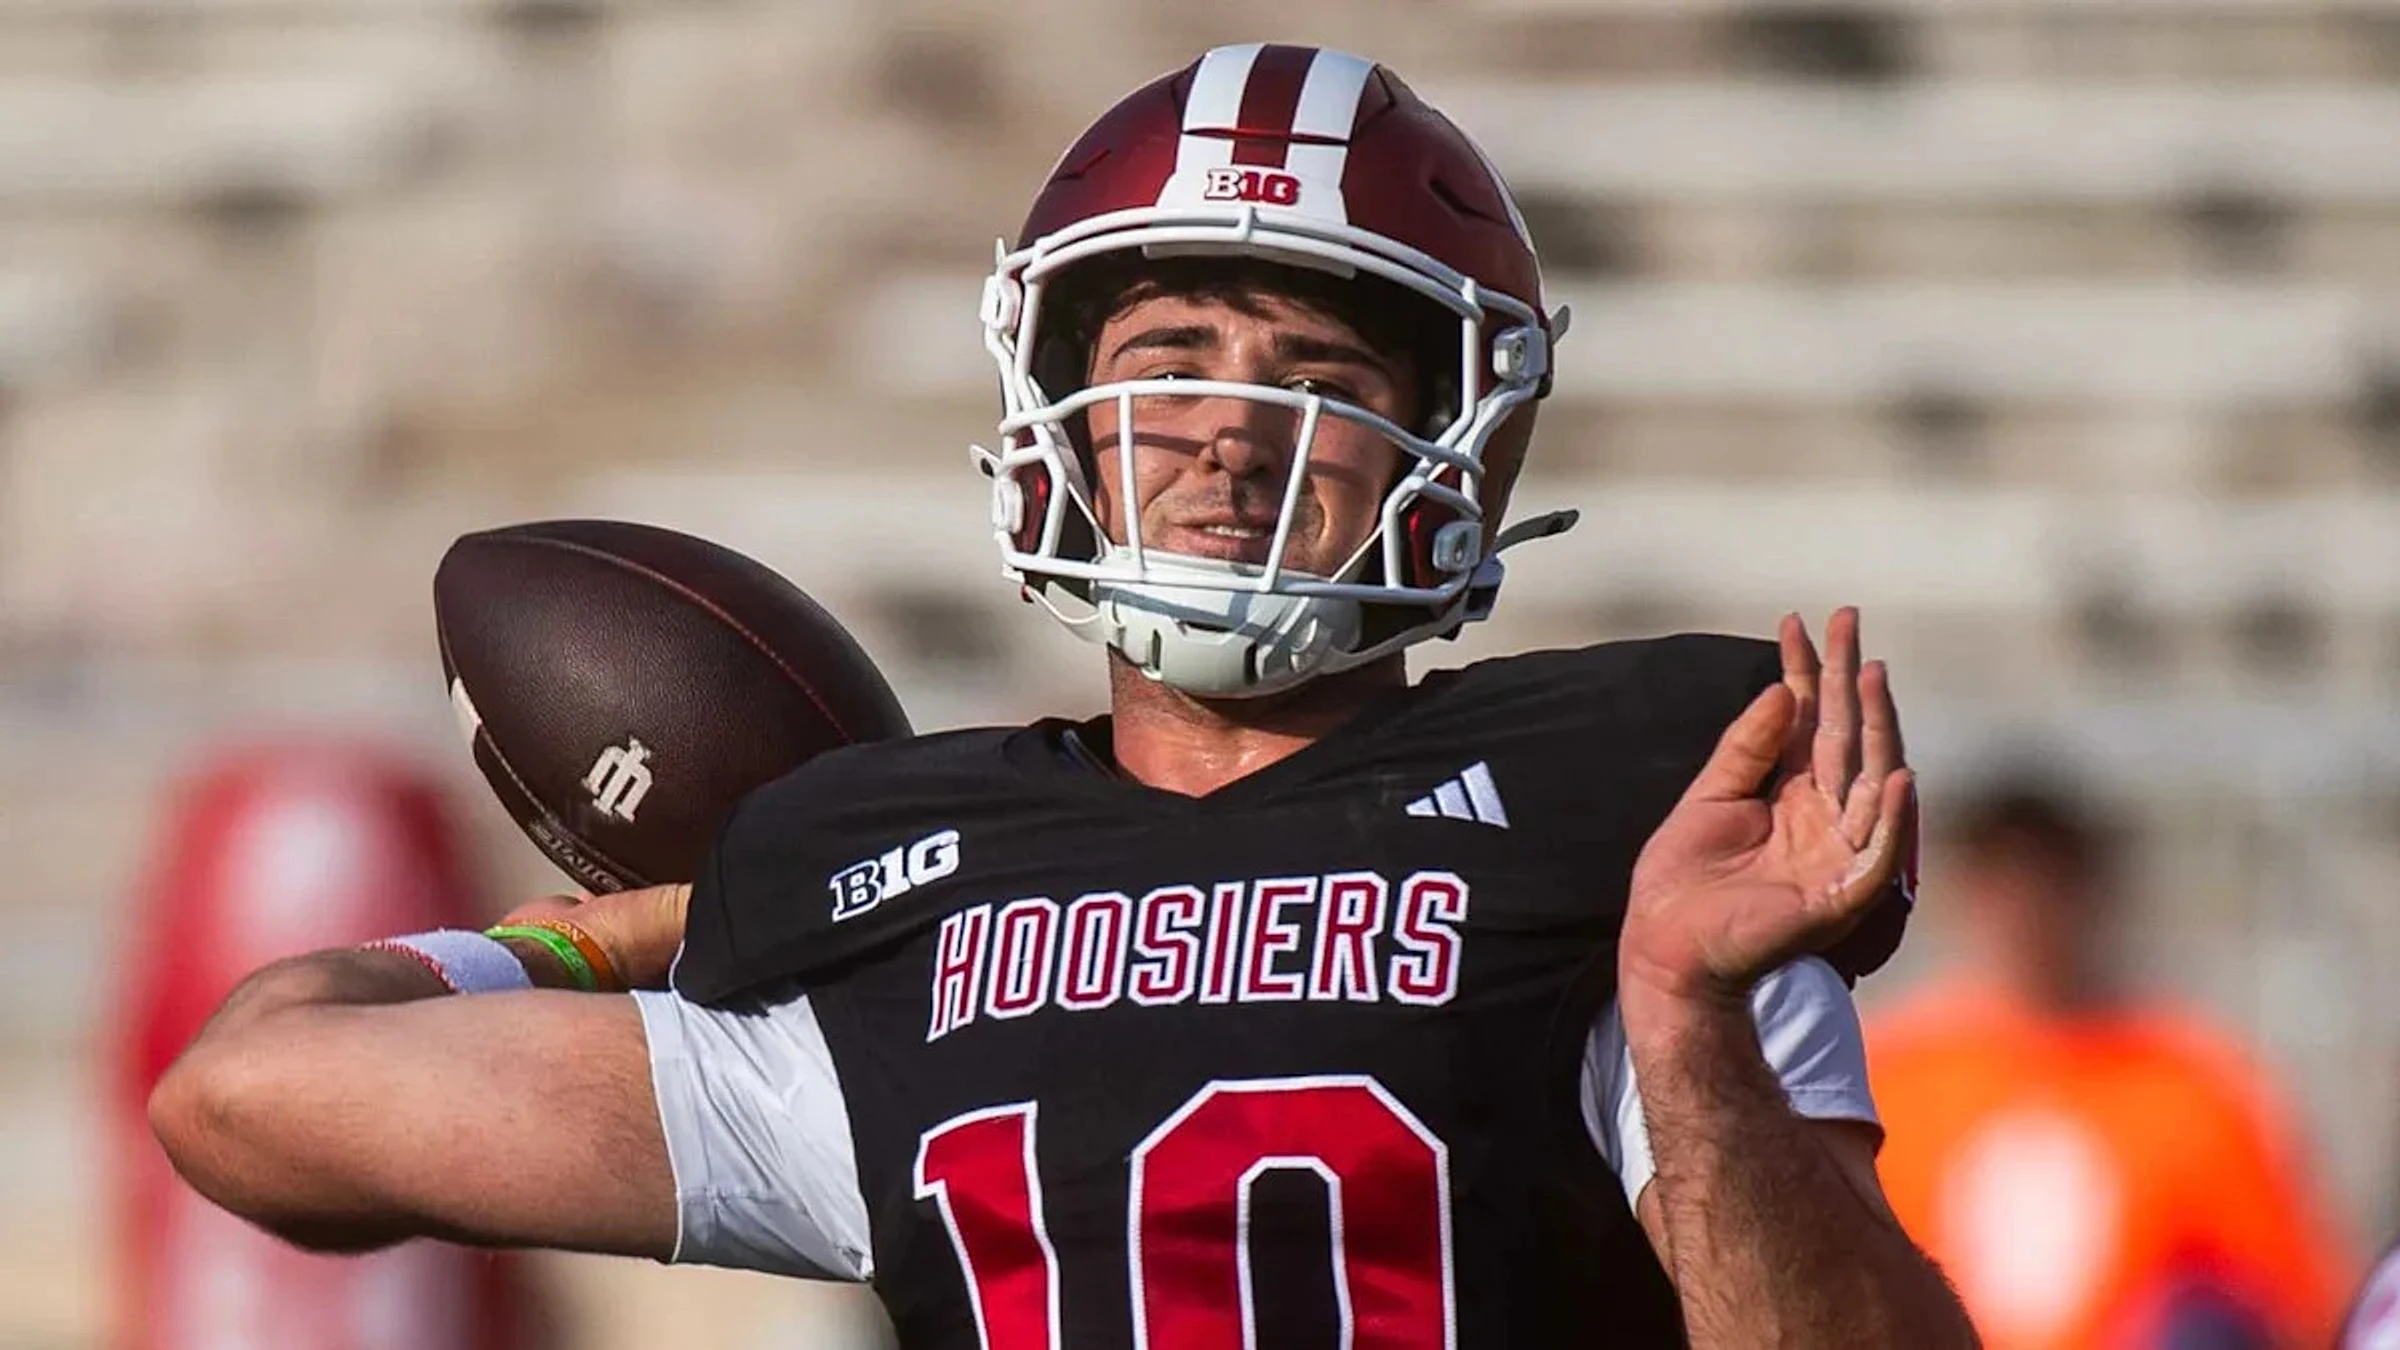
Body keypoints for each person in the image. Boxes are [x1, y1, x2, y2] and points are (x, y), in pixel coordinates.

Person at [148, 44, 1976, 1348]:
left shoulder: (1632, 830)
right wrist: (618, 937)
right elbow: (250, 1094)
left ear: (1457, 453)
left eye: (1317, 379)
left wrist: (1685, 1024)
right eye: (1169, 362)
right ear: (1058, 422)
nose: (1230, 434)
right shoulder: (899, 901)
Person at [1867, 774, 2353, 1349]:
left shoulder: (2188, 1083)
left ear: (2091, 891)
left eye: (2049, 881)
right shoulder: (1894, 1077)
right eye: (2001, 883)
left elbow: (2294, 1298)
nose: (2025, 910)